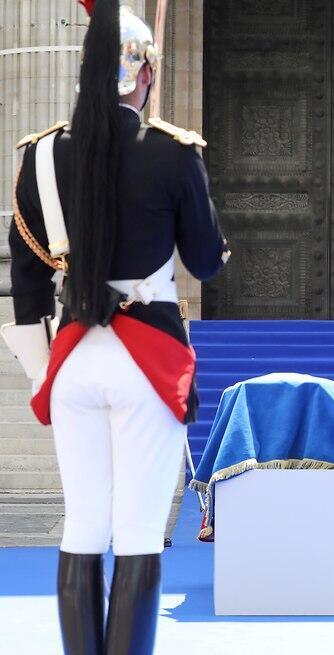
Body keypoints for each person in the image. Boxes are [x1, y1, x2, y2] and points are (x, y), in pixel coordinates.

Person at [8, 3, 227, 652]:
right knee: (134, 530)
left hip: (73, 358)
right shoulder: (172, 153)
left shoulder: (43, 156)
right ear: (145, 77)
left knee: (82, 523)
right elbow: (206, 262)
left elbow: (25, 282)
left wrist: (43, 368)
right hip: (146, 360)